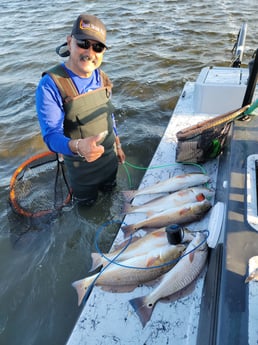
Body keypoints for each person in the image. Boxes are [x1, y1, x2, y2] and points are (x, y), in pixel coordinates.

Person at [36, 14, 125, 206]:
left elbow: (109, 115)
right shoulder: (50, 84)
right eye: (83, 43)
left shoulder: (103, 77)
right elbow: (51, 136)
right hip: (82, 172)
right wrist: (78, 147)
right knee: (87, 208)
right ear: (70, 42)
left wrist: (117, 143)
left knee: (113, 197)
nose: (90, 52)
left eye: (98, 47)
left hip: (110, 161)